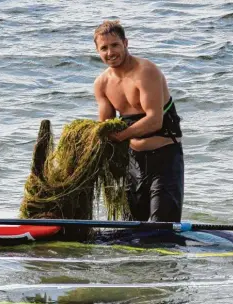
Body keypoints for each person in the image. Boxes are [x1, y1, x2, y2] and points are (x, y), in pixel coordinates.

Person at [93, 20, 184, 222]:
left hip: (164, 158)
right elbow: (106, 128)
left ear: (126, 43)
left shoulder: (146, 72)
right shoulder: (102, 84)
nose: (110, 52)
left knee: (162, 229)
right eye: (104, 48)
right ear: (97, 51)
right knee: (132, 228)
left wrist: (121, 136)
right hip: (132, 162)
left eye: (115, 45)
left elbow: (154, 121)